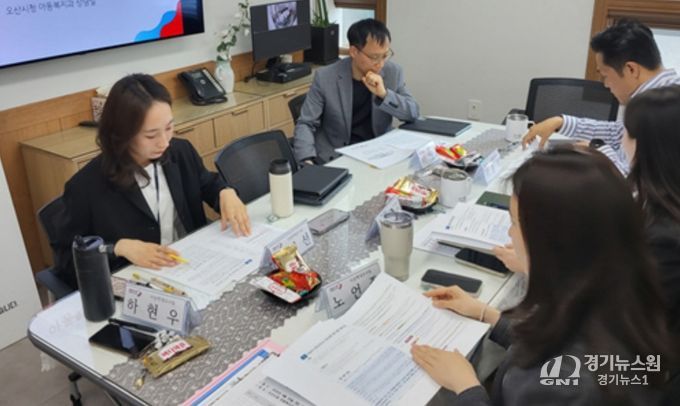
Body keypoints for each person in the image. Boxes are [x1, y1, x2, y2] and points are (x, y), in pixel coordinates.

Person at [411, 147, 674, 405]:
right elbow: (557, 343)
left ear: (550, 244)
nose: (510, 234)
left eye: (515, 223)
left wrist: (466, 387)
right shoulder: (624, 300)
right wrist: (487, 314)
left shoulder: (555, 384)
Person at [53, 74, 251, 290]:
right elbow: (66, 260)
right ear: (122, 134)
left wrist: (225, 192)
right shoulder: (86, 186)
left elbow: (206, 183)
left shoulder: (180, 151)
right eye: (151, 135)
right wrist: (118, 247)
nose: (164, 142)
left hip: (192, 267)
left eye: (169, 128)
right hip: (139, 283)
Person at [522, 19, 680, 174]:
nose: (605, 84)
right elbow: (617, 133)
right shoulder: (658, 94)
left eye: (605, 75)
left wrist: (596, 150)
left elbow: (635, 180)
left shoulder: (663, 109)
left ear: (631, 69)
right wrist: (562, 122)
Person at [293, 18, 419, 164]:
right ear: (353, 51)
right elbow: (306, 123)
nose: (381, 64)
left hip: (378, 153)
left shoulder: (393, 72)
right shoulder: (326, 77)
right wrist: (306, 160)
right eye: (374, 57)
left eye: (385, 55)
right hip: (337, 155)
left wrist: (384, 95)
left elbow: (413, 113)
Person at [622, 85, 680, 336]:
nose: (622, 140)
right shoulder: (666, 202)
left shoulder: (664, 236)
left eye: (627, 132)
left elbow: (627, 320)